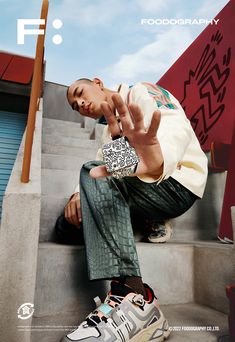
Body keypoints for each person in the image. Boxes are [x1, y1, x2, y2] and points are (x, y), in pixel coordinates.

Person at [59, 77, 208, 342]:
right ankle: (151, 219)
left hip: (176, 182)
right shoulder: (109, 133)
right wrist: (76, 195)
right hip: (138, 185)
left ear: (97, 82)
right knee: (65, 225)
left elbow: (174, 123)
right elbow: (104, 169)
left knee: (93, 175)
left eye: (80, 94)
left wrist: (158, 158)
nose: (80, 104)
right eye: (74, 106)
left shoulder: (139, 92)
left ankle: (134, 296)